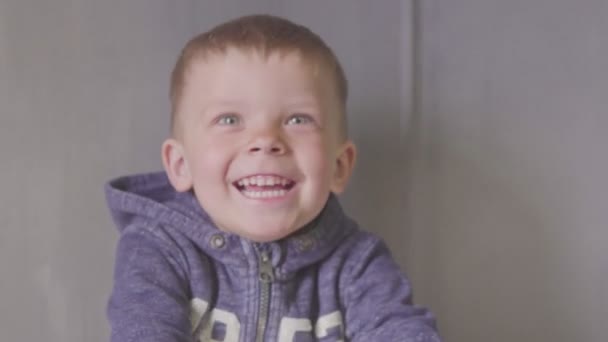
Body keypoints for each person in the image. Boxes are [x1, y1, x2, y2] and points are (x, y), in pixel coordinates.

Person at [105, 14, 441, 342]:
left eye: (298, 120)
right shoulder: (159, 249)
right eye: (229, 119)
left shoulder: (357, 263)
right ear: (180, 165)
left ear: (339, 166)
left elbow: (399, 329)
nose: (266, 140)